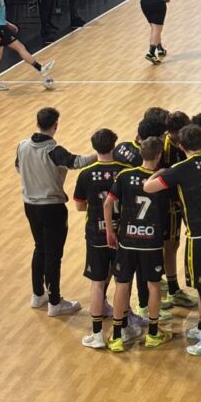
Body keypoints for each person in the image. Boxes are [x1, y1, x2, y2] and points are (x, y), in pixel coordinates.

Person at [143, 123, 201, 357]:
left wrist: (160, 171)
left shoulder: (180, 169)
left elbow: (148, 187)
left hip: (200, 236)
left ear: (180, 145)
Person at [16, 106, 97, 316]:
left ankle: (38, 295)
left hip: (30, 205)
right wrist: (99, 155)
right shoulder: (53, 150)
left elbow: (18, 167)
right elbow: (77, 162)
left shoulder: (22, 145)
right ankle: (54, 302)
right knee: (53, 256)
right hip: (52, 208)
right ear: (55, 126)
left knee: (39, 249)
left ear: (37, 123)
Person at [74, 129, 141, 349]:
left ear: (94, 147)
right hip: (122, 235)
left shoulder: (86, 174)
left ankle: (96, 335)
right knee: (123, 281)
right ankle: (125, 326)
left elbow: (79, 206)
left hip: (96, 234)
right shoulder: (125, 171)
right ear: (114, 146)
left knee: (97, 282)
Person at [104, 136, 172, 353]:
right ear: (159, 156)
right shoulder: (161, 181)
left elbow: (108, 203)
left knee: (122, 284)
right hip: (151, 242)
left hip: (127, 240)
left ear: (141, 153)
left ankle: (117, 336)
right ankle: (153, 333)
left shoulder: (124, 176)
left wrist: (110, 230)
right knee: (153, 285)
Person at [0, 0, 56, 92]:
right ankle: (40, 68)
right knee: (20, 48)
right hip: (0, 30)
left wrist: (9, 24)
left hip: (0, 28)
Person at [161, 111, 197, 310]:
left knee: (179, 243)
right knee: (171, 245)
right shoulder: (165, 148)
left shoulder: (187, 142)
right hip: (172, 205)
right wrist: (174, 199)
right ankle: (173, 288)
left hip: (188, 200)